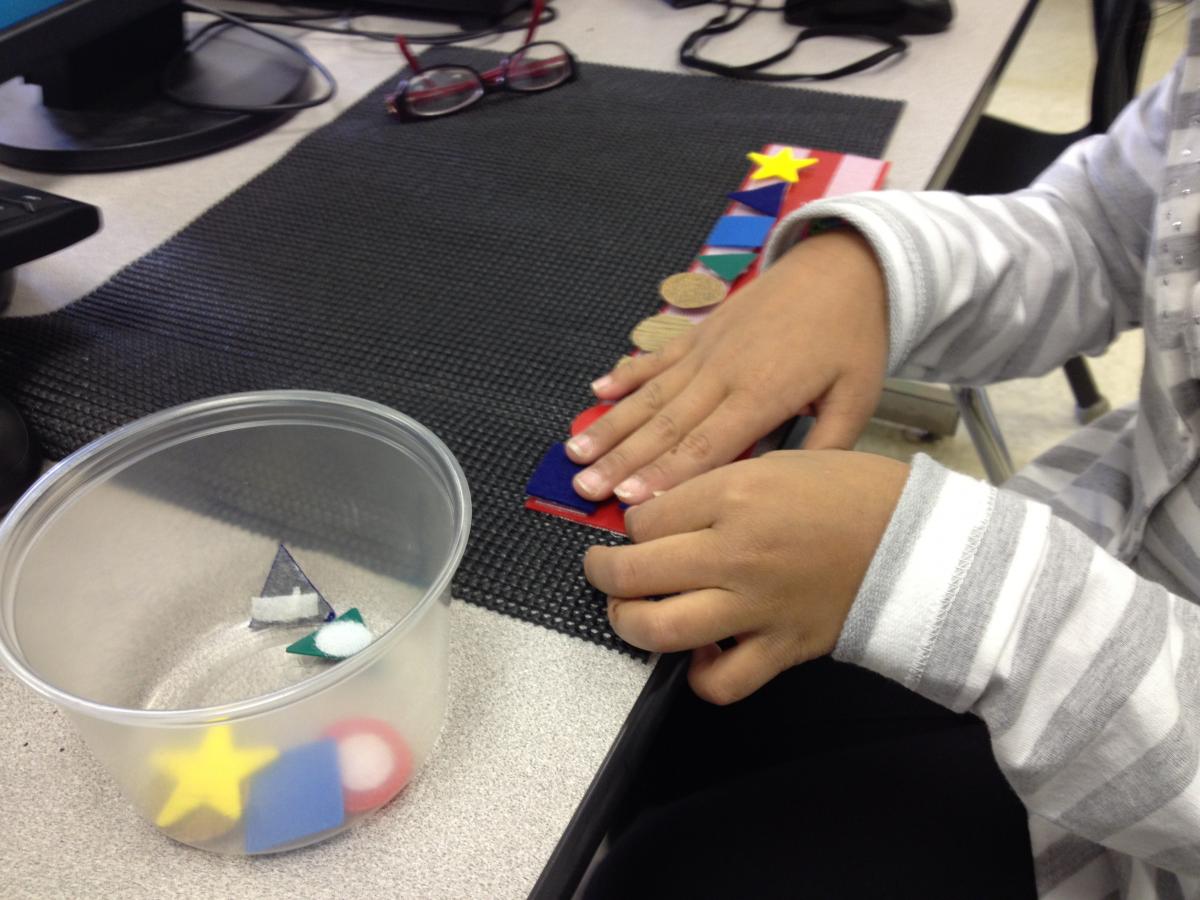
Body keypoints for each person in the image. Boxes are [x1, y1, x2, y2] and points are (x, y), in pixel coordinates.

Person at [569, 9, 1200, 898]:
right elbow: (1101, 228)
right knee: (672, 726)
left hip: (1146, 847)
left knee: (660, 874)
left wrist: (949, 580)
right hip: (1095, 567)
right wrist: (871, 268)